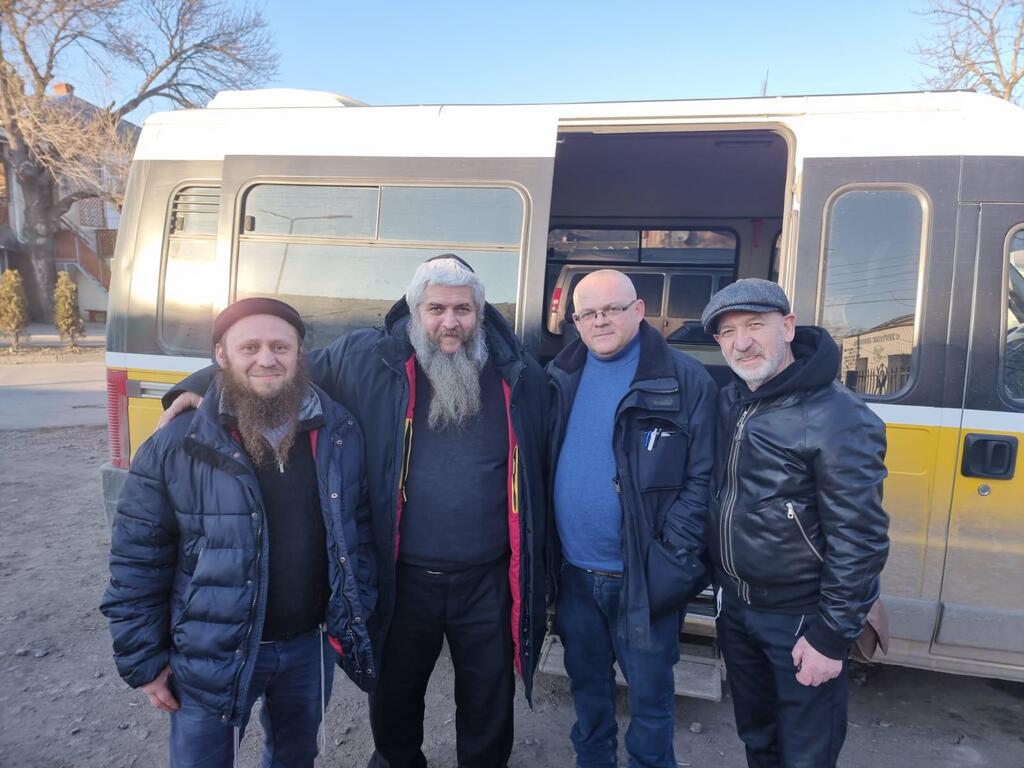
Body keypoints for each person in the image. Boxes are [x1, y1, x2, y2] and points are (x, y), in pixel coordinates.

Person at [159, 256, 548, 768]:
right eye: (436, 308)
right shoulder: (366, 358)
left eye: (462, 309)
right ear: (414, 311)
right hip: (401, 576)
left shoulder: (519, 374)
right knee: (393, 697)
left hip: (489, 580)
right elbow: (278, 363)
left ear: (480, 313)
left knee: (487, 701)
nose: (449, 322)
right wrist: (200, 382)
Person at [100, 297, 376, 768]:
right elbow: (136, 561)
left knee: (294, 758)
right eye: (249, 347)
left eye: (279, 347)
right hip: (211, 653)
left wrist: (354, 611)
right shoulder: (176, 444)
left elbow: (359, 531)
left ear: (299, 355)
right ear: (221, 356)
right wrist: (145, 662)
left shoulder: (338, 433)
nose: (266, 359)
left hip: (308, 648)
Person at [700, 278, 890, 768]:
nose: (741, 343)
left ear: (787, 327)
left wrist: (832, 634)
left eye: (754, 326)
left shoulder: (838, 416)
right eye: (727, 333)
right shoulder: (733, 400)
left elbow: (861, 538)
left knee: (806, 754)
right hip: (738, 611)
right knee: (758, 740)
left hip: (801, 618)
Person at [547, 269, 717, 768]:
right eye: (588, 313)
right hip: (575, 575)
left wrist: (670, 555)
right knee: (589, 693)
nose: (600, 321)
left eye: (612, 309)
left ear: (639, 311)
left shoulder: (686, 380)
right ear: (574, 322)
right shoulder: (559, 378)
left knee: (650, 701)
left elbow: (705, 479)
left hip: (645, 580)